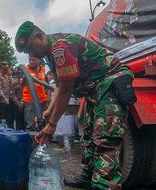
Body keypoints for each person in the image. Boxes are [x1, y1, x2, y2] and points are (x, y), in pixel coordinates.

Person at [15, 21, 135, 190]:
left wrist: (52, 125)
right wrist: (49, 111)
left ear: (40, 36)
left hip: (108, 83)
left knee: (106, 139)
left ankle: (104, 185)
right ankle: (88, 176)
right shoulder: (50, 54)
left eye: (29, 48)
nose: (31, 54)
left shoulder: (60, 48)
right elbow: (58, 86)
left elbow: (66, 91)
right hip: (93, 90)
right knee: (88, 135)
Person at [22, 56, 48, 131]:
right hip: (29, 100)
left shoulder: (43, 69)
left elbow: (46, 84)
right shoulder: (25, 69)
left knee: (42, 121)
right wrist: (24, 80)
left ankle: (42, 141)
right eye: (30, 60)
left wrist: (48, 99)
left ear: (39, 60)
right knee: (30, 123)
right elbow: (22, 85)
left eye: (33, 60)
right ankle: (30, 140)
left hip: (42, 100)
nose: (31, 62)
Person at [0, 61, 13, 127]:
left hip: (8, 99)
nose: (6, 70)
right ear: (0, 68)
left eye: (7, 69)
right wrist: (5, 98)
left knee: (8, 118)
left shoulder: (6, 76)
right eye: (5, 69)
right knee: (1, 119)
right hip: (1, 101)